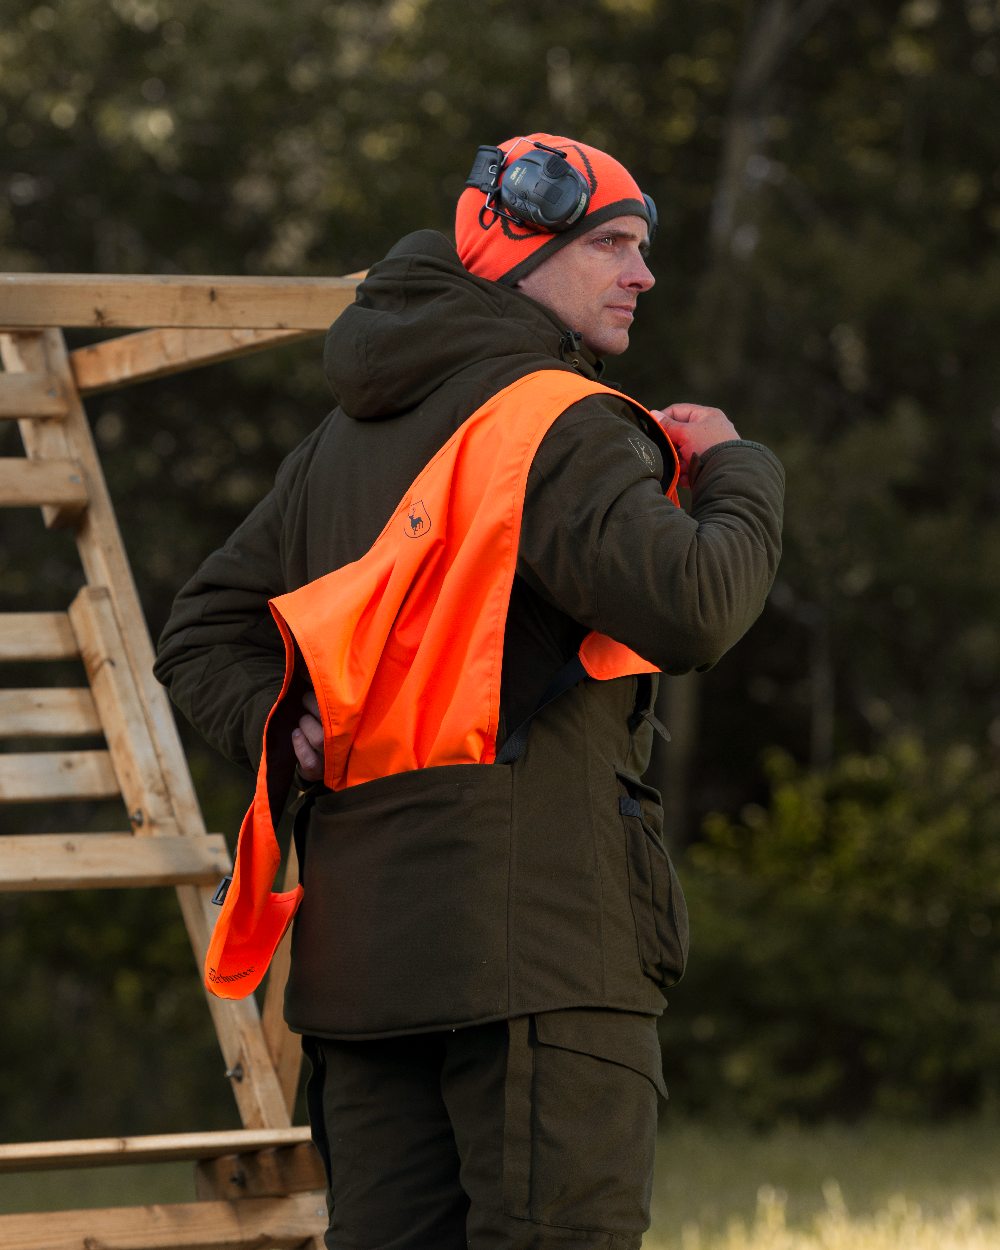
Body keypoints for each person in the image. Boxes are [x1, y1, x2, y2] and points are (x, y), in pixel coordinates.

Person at [155, 132, 784, 1250]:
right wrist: (740, 470)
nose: (641, 274)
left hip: (359, 973)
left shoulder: (336, 443)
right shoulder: (553, 418)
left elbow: (203, 627)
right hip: (535, 960)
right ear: (515, 252)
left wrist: (277, 725)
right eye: (612, 246)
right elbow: (696, 605)